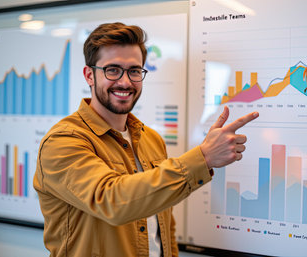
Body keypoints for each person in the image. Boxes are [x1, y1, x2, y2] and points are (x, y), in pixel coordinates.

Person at [33, 22, 258, 257]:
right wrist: (203, 158)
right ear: (89, 75)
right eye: (112, 70)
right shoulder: (62, 141)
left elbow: (163, 225)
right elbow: (112, 201)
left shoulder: (151, 139)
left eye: (134, 70)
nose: (125, 82)